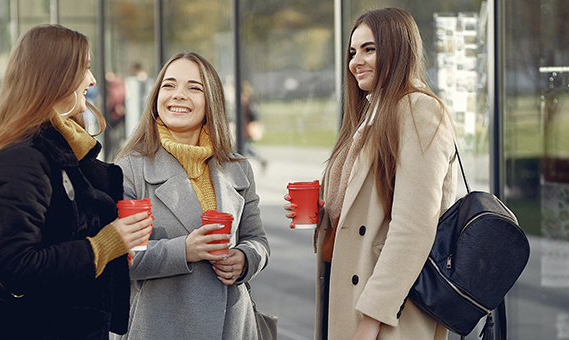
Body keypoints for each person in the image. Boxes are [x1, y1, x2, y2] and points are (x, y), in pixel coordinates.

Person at [0, 24, 152, 340]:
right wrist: (103, 245)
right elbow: (17, 267)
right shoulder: (23, 159)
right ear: (56, 76)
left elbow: (62, 234)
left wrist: (114, 250)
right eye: (86, 69)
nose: (92, 81)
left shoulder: (60, 153)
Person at [285, 8, 457, 340]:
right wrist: (326, 213)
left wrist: (373, 318)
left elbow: (414, 227)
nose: (356, 61)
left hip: (386, 307)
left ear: (398, 49)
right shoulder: (372, 113)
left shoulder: (419, 110)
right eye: (352, 52)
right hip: (348, 287)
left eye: (369, 49)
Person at [114, 52, 270, 340]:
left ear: (211, 101)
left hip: (233, 326)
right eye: (169, 85)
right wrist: (184, 249)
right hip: (159, 326)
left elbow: (257, 241)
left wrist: (245, 259)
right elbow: (122, 256)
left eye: (194, 87)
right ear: (156, 98)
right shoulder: (130, 167)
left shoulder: (237, 168)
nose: (179, 95)